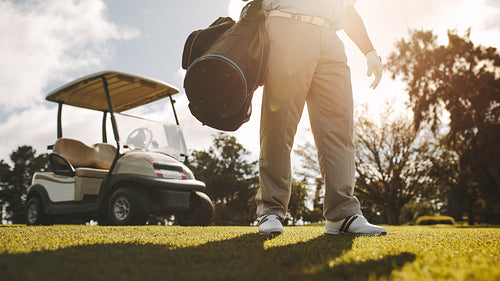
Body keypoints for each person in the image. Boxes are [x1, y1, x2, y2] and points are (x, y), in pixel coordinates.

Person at [255, 0, 387, 236]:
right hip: (287, 25)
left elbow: (347, 9)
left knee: (339, 127)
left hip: (330, 38)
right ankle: (271, 210)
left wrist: (370, 51)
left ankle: (343, 214)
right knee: (279, 125)